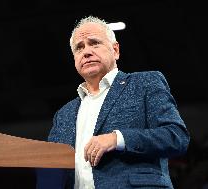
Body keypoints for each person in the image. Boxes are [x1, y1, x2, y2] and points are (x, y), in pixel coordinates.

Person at [44, 16, 190, 189]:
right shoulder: (63, 114)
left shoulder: (144, 83)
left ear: (115, 50)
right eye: (79, 47)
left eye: (94, 43)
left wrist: (118, 139)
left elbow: (176, 137)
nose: (86, 51)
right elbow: (49, 166)